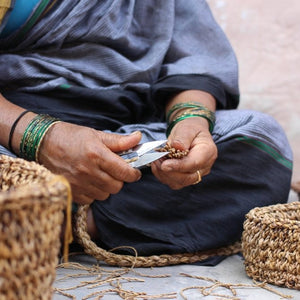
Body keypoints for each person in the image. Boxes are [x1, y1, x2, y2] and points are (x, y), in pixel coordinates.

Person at [0, 0, 293, 262]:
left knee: (261, 141)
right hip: (14, 126)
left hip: (128, 130)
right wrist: (40, 137)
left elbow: (193, 59)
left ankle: (58, 220)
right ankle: (36, 216)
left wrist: (191, 126)